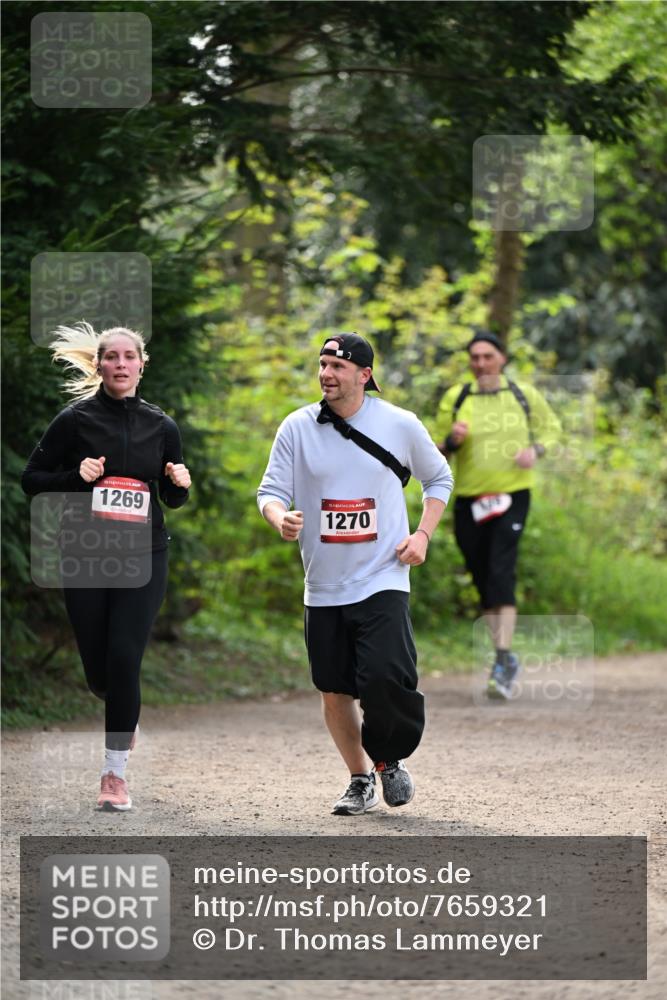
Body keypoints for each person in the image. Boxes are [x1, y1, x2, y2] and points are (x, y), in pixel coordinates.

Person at [258, 333, 453, 816]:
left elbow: (439, 478)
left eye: (337, 366)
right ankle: (359, 778)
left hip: (382, 575)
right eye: (322, 364)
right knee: (335, 688)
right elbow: (269, 490)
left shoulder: (399, 424)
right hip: (323, 583)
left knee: (387, 675)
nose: (326, 374)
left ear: (364, 374)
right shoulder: (297, 427)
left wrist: (423, 535)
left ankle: (388, 758)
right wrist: (277, 516)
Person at [22, 321, 191, 811]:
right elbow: (31, 479)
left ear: (142, 364)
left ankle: (114, 776)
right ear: (99, 364)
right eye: (111, 357)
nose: (120, 364)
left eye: (128, 356)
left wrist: (179, 482)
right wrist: (77, 477)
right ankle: (123, 707)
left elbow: (173, 499)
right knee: (101, 675)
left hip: (145, 555)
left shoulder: (162, 426)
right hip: (86, 554)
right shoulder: (73, 421)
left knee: (123, 658)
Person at [436, 331, 560, 700]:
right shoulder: (457, 397)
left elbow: (553, 429)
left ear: (502, 358)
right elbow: (435, 449)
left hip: (513, 494)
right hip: (469, 499)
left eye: (488, 356)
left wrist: (535, 450)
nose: (480, 363)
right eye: (474, 357)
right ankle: (502, 656)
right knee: (481, 575)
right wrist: (452, 440)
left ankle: (503, 658)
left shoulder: (523, 395)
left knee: (501, 568)